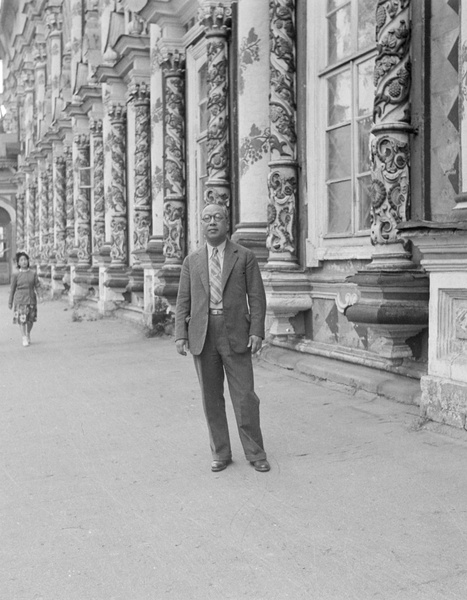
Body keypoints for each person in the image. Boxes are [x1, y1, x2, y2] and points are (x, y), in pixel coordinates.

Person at [175, 203, 270, 473]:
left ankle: (255, 453)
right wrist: (180, 335)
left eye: (217, 217)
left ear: (227, 223)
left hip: (236, 332)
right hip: (203, 335)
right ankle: (221, 452)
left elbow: (257, 296)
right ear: (201, 225)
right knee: (210, 396)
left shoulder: (244, 256)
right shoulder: (191, 261)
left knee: (244, 396)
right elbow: (183, 300)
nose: (212, 222)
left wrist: (256, 331)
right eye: (206, 218)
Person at [8, 252, 40, 347]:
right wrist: (10, 302)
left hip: (31, 299)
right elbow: (12, 289)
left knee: (30, 320)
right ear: (18, 263)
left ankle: (28, 333)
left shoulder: (33, 273)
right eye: (21, 260)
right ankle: (24, 337)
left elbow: (37, 286)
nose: (24, 262)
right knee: (22, 320)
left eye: (25, 259)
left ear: (28, 261)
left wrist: (40, 295)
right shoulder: (16, 275)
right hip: (20, 300)